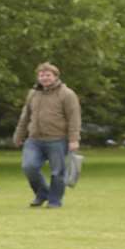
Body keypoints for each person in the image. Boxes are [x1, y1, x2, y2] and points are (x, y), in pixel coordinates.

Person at [13, 61, 81, 208]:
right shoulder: (33, 94)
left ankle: (54, 200)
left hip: (57, 139)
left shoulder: (67, 94)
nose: (44, 78)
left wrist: (74, 139)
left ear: (56, 76)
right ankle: (42, 193)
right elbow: (25, 116)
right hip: (34, 139)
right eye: (41, 75)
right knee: (28, 167)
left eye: (48, 75)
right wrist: (19, 135)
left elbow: (74, 118)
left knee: (57, 172)